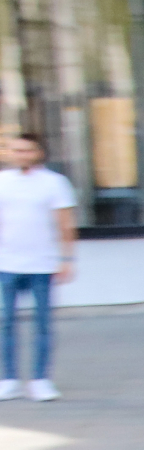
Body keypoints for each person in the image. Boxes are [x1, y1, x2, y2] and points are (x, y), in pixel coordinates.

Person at [0, 131, 77, 402]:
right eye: (16, 150)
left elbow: (65, 224)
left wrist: (67, 259)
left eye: (27, 150)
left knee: (43, 324)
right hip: (6, 264)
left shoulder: (54, 183)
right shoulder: (2, 182)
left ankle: (40, 380)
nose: (21, 155)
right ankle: (8, 379)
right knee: (5, 323)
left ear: (39, 153)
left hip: (42, 265)